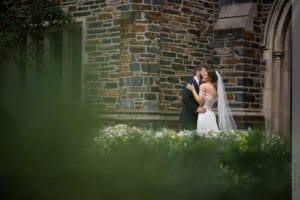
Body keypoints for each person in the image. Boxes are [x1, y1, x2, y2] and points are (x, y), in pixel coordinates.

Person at [179, 66, 207, 130]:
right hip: (188, 117)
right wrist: (196, 108)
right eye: (204, 71)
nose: (205, 73)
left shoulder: (201, 85)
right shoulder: (190, 83)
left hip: (198, 118)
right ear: (197, 72)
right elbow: (185, 99)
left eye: (206, 72)